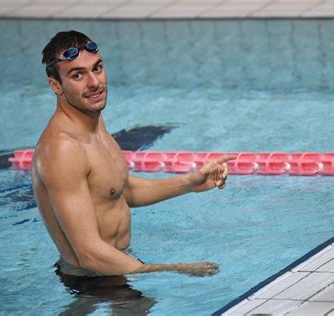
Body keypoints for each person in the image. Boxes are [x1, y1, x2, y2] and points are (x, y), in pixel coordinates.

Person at [32, 30, 235, 279]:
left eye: (97, 69)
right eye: (77, 75)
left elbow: (119, 190)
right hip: (93, 278)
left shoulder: (92, 123)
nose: (94, 83)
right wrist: (172, 270)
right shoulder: (62, 149)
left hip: (117, 265)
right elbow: (89, 253)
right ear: (56, 85)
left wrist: (189, 183)